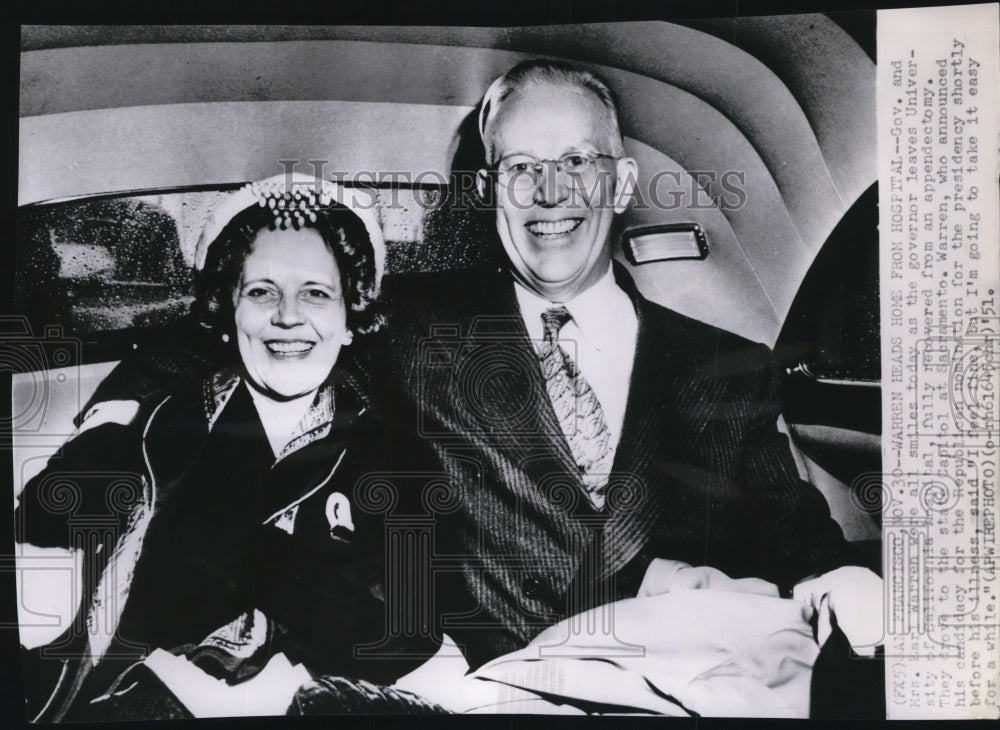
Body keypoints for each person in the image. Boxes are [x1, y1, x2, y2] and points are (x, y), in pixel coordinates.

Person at [373, 59, 883, 671]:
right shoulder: (407, 335)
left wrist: (841, 580)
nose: (551, 192)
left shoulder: (729, 368)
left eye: (578, 162)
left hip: (681, 686)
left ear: (622, 183)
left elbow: (790, 531)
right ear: (486, 192)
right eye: (520, 168)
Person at [13, 174, 432, 720]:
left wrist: (266, 573)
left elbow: (406, 637)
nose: (287, 316)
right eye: (261, 291)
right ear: (228, 312)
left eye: (317, 292)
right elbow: (42, 517)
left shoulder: (393, 457)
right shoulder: (157, 420)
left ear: (350, 318)